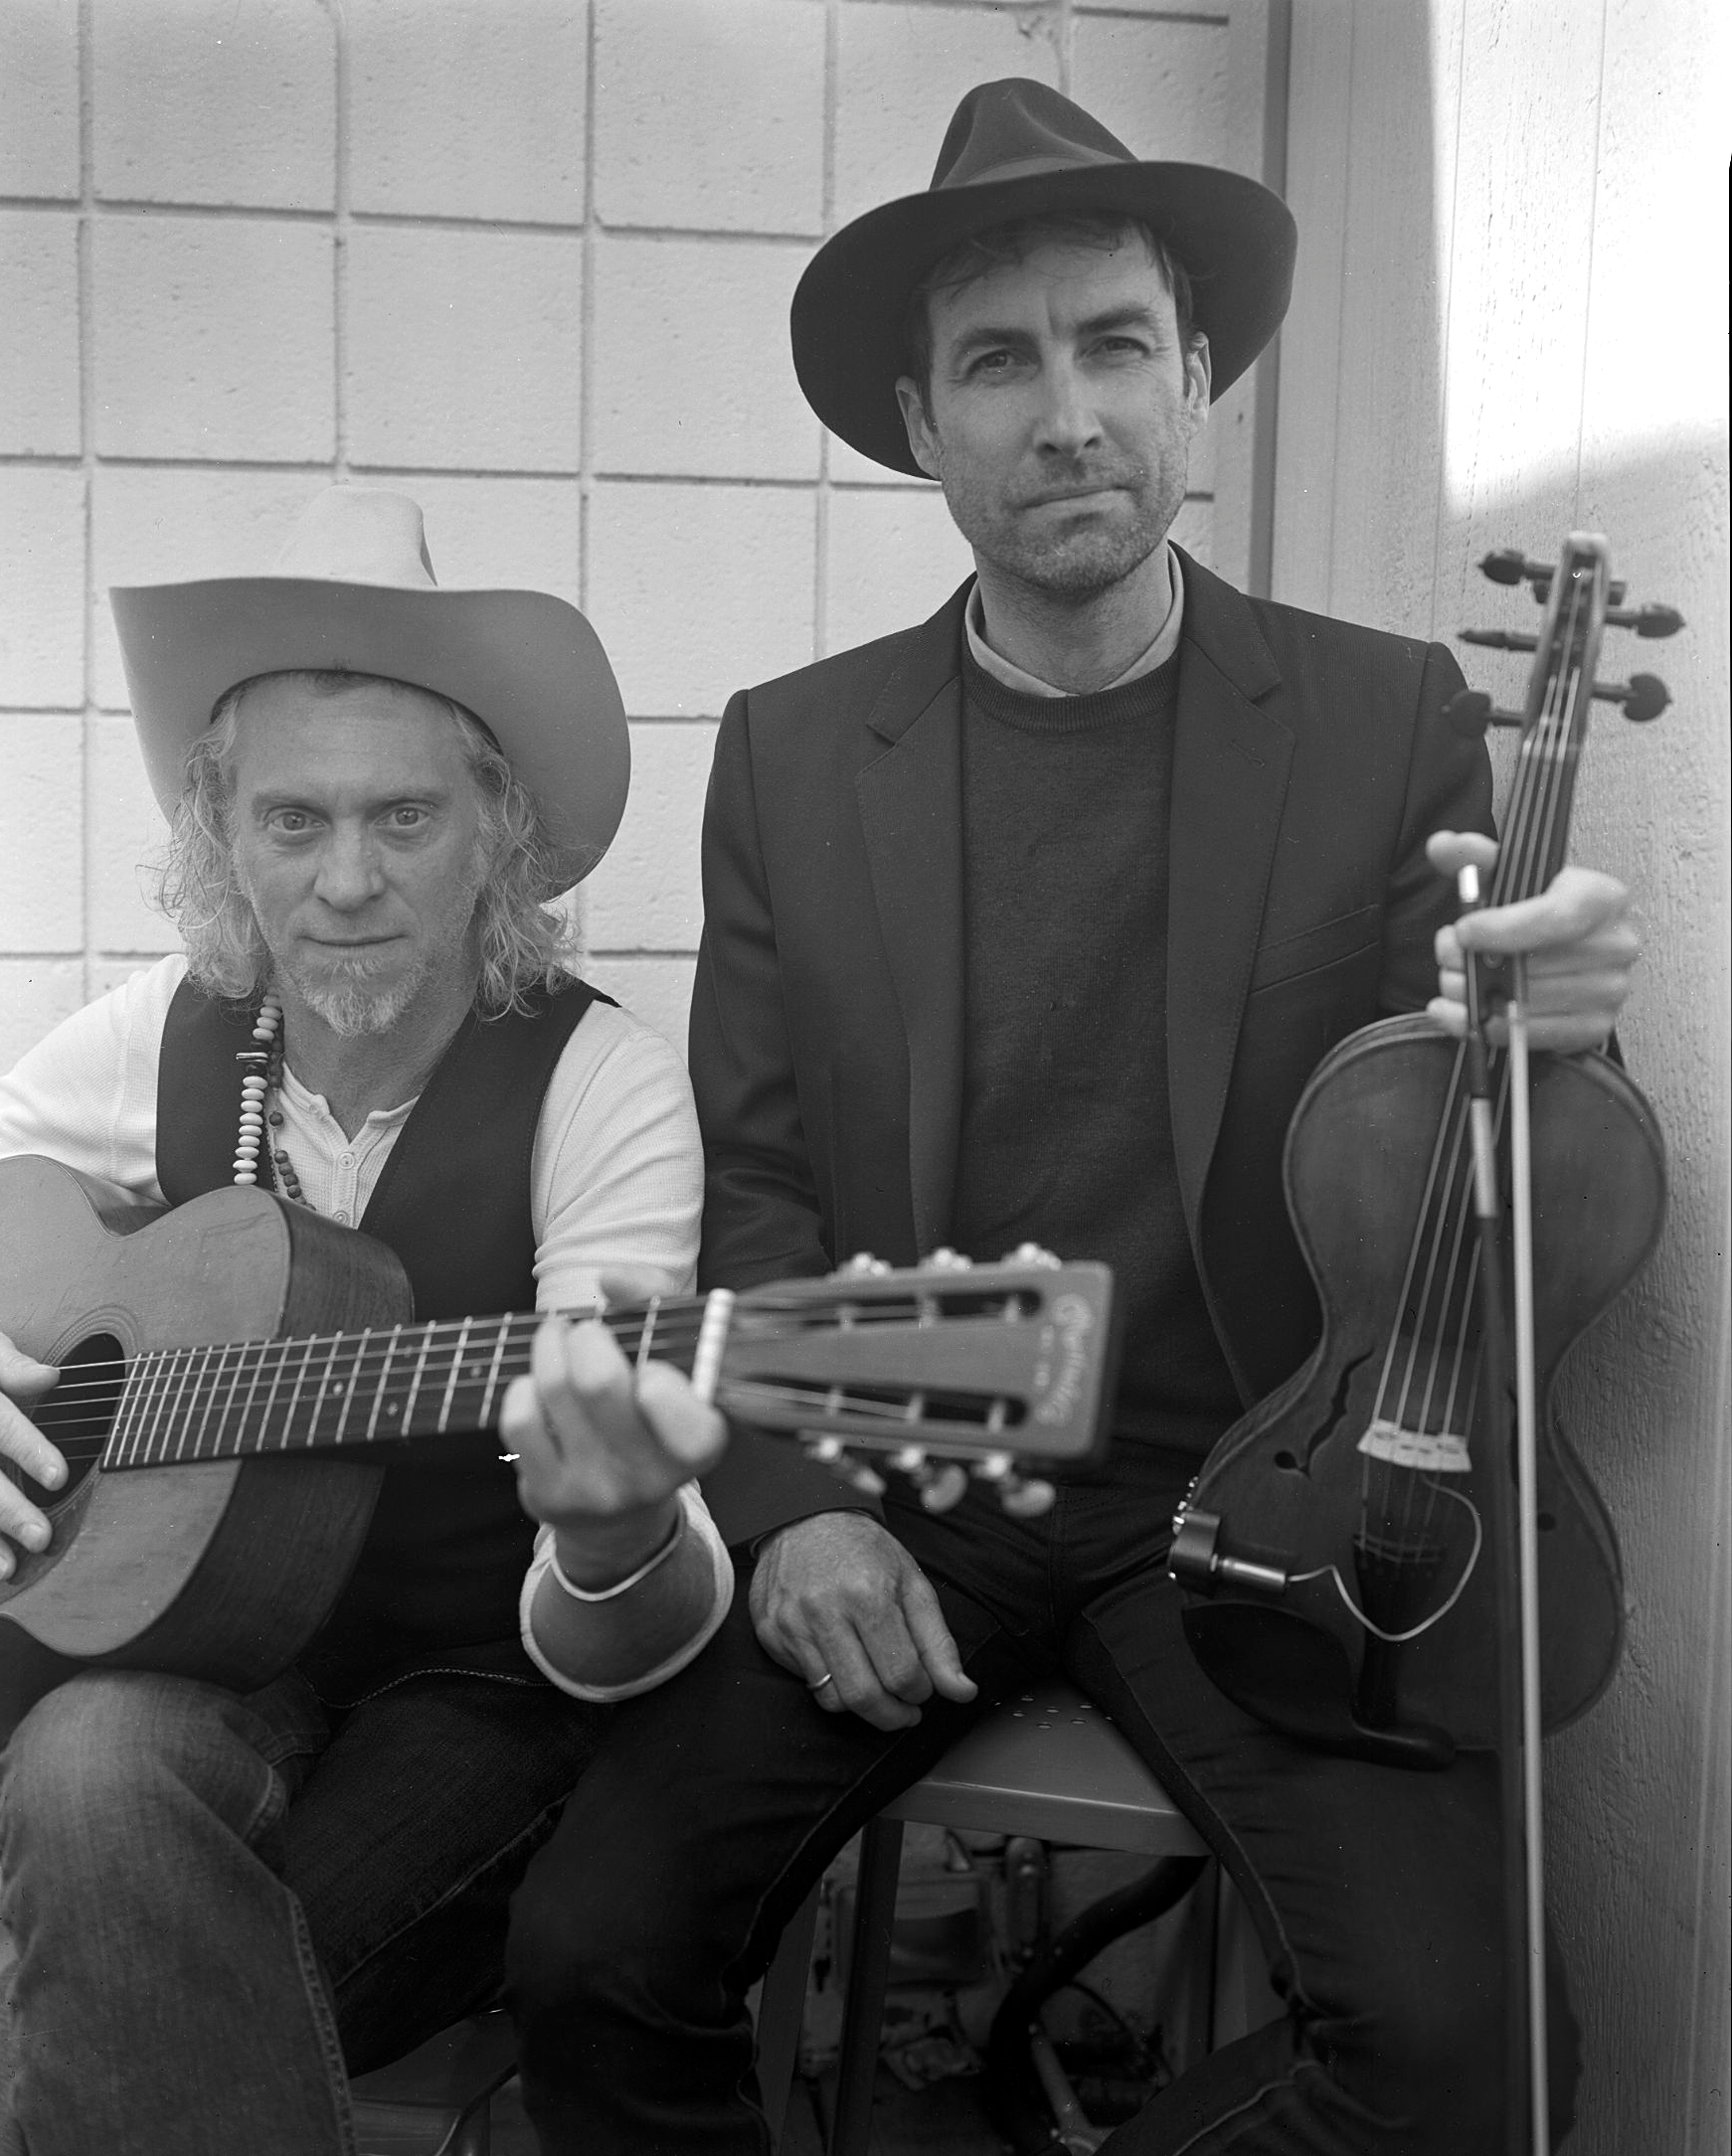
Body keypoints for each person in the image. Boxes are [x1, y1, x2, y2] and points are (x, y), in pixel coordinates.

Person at [509, 82, 1639, 2152]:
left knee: (1472, 2052)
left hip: (1257, 1497)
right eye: (998, 364)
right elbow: (753, 1184)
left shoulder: (1389, 719)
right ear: (922, 427)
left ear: (1196, 382)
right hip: (902, 1469)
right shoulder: (789, 755)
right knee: (588, 1958)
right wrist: (792, 1505)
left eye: (1114, 344)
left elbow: (1472, 1160)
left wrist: (1557, 1033)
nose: (1065, 413)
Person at [0, 486, 731, 2155]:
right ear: (219, 835)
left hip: (473, 1687)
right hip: (211, 1665)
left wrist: (611, 1528)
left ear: (497, 829)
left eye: (406, 819)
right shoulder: (163, 1026)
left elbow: (626, 1627)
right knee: (84, 1772)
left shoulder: (600, 1085)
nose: (348, 882)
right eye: (293, 822)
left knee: (29, 2066)